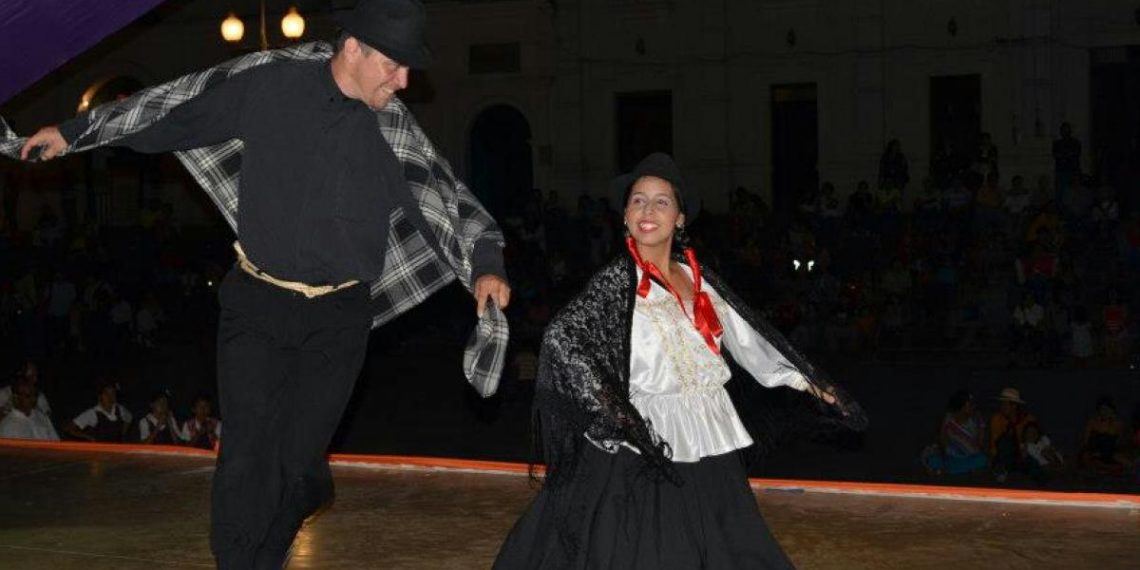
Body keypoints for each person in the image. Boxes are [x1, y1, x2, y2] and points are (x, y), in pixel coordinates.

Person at [5, 2, 511, 566]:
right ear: (353, 49)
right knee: (243, 459)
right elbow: (169, 113)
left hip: (336, 323)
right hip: (256, 305)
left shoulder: (391, 128)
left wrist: (486, 264)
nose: (404, 81)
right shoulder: (269, 84)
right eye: (394, 65)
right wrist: (73, 134)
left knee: (296, 468)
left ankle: (306, 491)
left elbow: (446, 199)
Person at [494, 153, 865, 570]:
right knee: (648, 547)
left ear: (680, 219)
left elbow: (748, 339)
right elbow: (563, 341)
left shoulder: (699, 278)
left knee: (729, 543)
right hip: (644, 440)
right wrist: (614, 410)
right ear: (625, 216)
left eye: (661, 202)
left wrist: (805, 380)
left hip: (707, 430)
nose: (647, 211)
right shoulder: (617, 284)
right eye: (637, 200)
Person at [922, 389, 987, 476]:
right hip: (950, 456)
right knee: (933, 459)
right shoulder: (948, 418)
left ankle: (946, 471)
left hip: (969, 457)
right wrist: (946, 454)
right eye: (969, 404)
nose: (973, 406)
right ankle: (960, 470)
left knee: (981, 460)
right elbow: (942, 439)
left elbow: (980, 444)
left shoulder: (977, 418)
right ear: (962, 406)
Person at [989, 387, 1036, 482]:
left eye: (1004, 404)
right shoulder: (997, 419)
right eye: (1001, 403)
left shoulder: (1027, 420)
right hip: (1002, 457)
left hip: (1022, 457)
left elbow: (1035, 442)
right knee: (1005, 441)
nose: (1002, 406)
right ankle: (1002, 471)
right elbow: (995, 444)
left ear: (1014, 405)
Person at [66, 382, 132, 443]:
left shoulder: (120, 409)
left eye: (113, 393)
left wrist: (122, 433)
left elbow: (129, 418)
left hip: (117, 449)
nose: (110, 397)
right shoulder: (92, 413)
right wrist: (88, 437)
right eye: (106, 393)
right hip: (100, 451)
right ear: (100, 396)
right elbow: (70, 428)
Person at [0, 377, 59, 441]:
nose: (33, 399)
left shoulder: (42, 417)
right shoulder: (8, 425)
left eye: (35, 395)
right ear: (16, 398)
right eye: (28, 396)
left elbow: (56, 442)